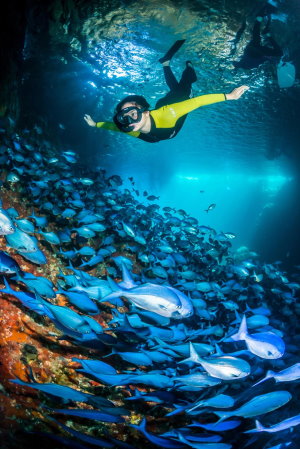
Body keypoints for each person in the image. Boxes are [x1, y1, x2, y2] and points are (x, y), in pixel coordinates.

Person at [84, 40, 249, 143]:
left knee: (186, 87)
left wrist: (230, 96)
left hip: (170, 106)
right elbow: (113, 126)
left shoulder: (168, 113)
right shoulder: (131, 128)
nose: (128, 120)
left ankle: (187, 67)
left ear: (145, 112)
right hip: (163, 105)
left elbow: (197, 102)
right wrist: (95, 124)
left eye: (132, 113)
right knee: (177, 88)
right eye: (124, 117)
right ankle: (166, 64)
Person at [232, 6, 283, 70]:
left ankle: (265, 29)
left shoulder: (246, 66)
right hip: (252, 51)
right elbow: (260, 60)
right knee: (256, 35)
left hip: (254, 52)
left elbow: (260, 60)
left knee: (257, 37)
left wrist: (267, 58)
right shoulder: (246, 66)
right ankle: (261, 20)